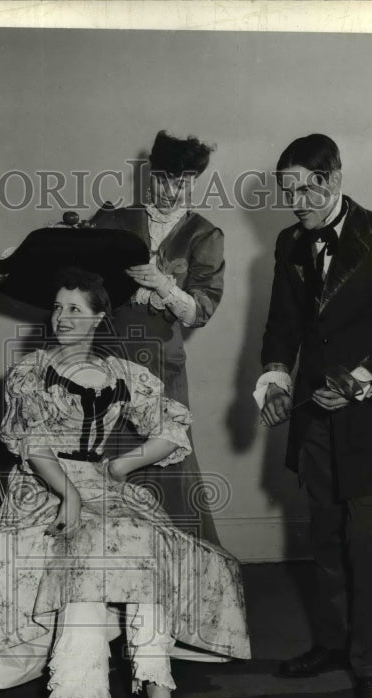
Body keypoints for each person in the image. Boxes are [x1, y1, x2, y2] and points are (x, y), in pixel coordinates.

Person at [0, 236, 249, 698]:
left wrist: (125, 463)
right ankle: (74, 689)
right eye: (57, 307)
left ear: (98, 318)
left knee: (144, 539)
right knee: (89, 543)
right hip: (45, 485)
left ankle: (155, 678)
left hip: (102, 483)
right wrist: (70, 497)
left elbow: (170, 429)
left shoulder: (123, 373)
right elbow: (33, 443)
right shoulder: (31, 371)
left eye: (75, 308)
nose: (62, 316)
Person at [255, 133, 372, 698]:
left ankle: (371, 667)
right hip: (314, 418)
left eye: (305, 188)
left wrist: (358, 380)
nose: (296, 201)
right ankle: (332, 645)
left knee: (367, 543)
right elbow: (283, 323)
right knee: (325, 537)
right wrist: (277, 382)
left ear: (333, 180)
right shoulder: (289, 243)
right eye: (288, 191)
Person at [82, 131, 228, 545]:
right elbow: (75, 278)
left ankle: (179, 585)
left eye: (184, 181)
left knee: (170, 469)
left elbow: (201, 311)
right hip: (107, 360)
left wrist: (164, 286)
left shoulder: (205, 235)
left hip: (164, 366)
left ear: (197, 180)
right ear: (150, 175)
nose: (171, 190)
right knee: (103, 463)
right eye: (164, 178)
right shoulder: (114, 219)